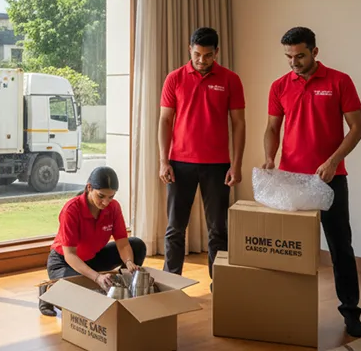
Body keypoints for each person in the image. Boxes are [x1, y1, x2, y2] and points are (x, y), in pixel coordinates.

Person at [262, 27, 361, 338]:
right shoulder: (280, 86)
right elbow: (271, 128)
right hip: (290, 180)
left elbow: (357, 128)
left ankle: (351, 312)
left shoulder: (339, 81)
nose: (294, 62)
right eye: (289, 57)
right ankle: (287, 309)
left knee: (340, 247)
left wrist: (333, 161)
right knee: (287, 248)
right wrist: (269, 157)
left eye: (300, 56)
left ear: (315, 52)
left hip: (331, 179)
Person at [158, 27, 246, 282]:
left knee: (218, 230)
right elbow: (165, 120)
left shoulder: (231, 80)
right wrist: (164, 162)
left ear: (216, 52)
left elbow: (239, 123)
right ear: (190, 49)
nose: (201, 60)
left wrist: (236, 165)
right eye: (197, 54)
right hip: (179, 163)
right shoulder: (174, 79)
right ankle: (170, 283)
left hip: (217, 165)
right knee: (175, 228)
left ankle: (220, 286)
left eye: (208, 55)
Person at [38, 166, 147, 317]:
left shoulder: (113, 208)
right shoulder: (71, 210)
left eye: (111, 197)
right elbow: (70, 255)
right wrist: (97, 277)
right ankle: (50, 290)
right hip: (65, 262)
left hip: (92, 258)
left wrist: (128, 262)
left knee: (137, 245)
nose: (106, 202)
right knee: (82, 303)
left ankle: (120, 286)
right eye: (101, 196)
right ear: (89, 188)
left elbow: (122, 243)